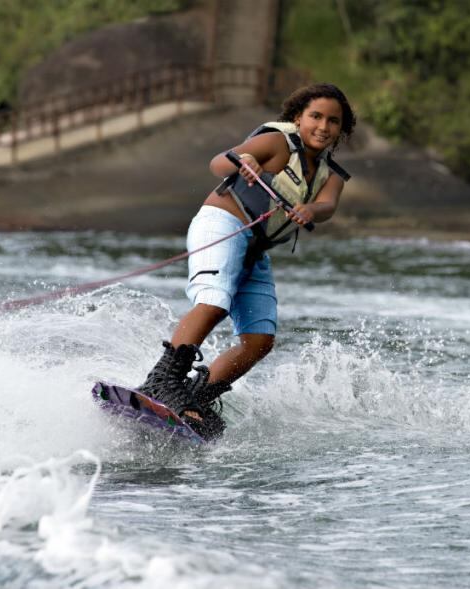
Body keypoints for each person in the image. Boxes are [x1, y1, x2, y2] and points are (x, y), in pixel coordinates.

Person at [137, 83, 355, 439]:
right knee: (215, 300)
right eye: (315, 116)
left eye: (333, 121)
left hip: (255, 250)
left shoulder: (331, 175)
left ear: (340, 130)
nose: (323, 126)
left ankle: (196, 398)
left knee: (259, 340)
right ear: (298, 118)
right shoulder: (276, 143)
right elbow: (219, 162)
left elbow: (327, 205)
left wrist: (311, 208)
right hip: (221, 224)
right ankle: (162, 382)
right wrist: (247, 160)